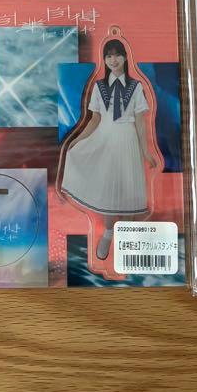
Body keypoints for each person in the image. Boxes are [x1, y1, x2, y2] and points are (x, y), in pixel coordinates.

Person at [59, 38, 162, 262]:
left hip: (128, 140)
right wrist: (77, 140)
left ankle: (128, 235)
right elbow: (94, 119)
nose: (113, 60)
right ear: (104, 59)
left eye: (117, 55)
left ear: (125, 57)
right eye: (108, 56)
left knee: (129, 186)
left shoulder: (136, 87)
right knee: (107, 187)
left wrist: (146, 151)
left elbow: (140, 121)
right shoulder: (99, 87)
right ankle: (108, 232)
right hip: (104, 139)